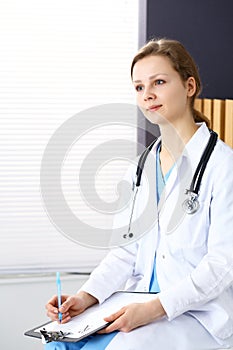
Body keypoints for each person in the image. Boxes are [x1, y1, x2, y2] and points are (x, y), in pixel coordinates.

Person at [45, 38, 233, 349]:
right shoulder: (139, 169)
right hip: (136, 302)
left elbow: (221, 265)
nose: (148, 95)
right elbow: (125, 251)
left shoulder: (223, 167)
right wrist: (85, 297)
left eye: (159, 82)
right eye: (139, 87)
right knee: (57, 343)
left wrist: (152, 310)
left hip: (194, 315)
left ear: (189, 86)